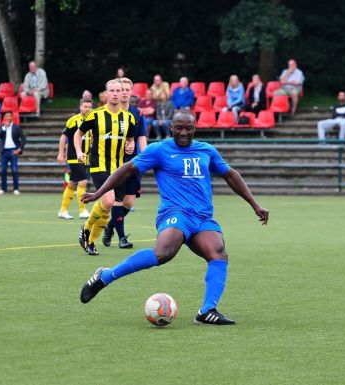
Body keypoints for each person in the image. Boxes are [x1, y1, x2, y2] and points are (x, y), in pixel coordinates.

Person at [78, 109, 270, 326]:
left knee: (218, 254)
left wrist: (255, 204)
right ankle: (105, 276)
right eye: (179, 128)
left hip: (202, 217)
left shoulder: (206, 150)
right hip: (175, 213)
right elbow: (127, 169)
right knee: (164, 253)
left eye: (188, 128)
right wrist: (99, 193)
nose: (184, 132)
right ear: (171, 128)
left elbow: (231, 175)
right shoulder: (159, 150)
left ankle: (207, 310)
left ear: (195, 127)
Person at [74, 79, 136, 256]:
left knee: (108, 206)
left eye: (119, 91)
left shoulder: (129, 118)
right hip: (99, 166)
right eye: (112, 91)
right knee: (108, 201)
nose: (116, 94)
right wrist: (79, 152)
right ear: (106, 94)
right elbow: (78, 134)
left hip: (119, 169)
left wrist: (130, 145)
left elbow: (130, 139)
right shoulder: (95, 115)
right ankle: (86, 230)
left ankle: (90, 240)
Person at [102, 77, 148, 250]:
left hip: (133, 162)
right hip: (115, 162)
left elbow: (141, 137)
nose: (124, 92)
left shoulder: (137, 114)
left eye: (128, 89)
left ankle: (110, 227)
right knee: (118, 199)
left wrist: (146, 156)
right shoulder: (109, 113)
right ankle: (121, 238)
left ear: (130, 92)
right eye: (121, 89)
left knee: (129, 203)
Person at [56, 98, 93, 220]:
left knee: (72, 184)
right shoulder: (73, 120)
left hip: (86, 157)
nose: (87, 109)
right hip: (74, 156)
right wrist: (61, 153)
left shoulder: (93, 119)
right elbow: (63, 137)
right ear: (80, 107)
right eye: (85, 106)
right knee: (83, 181)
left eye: (89, 107)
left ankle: (63, 210)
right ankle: (82, 210)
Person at [0, 111, 26, 196]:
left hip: (13, 151)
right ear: (4, 118)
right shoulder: (2, 127)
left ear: (12, 117)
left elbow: (23, 139)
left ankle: (16, 189)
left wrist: (19, 149)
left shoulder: (17, 127)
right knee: (2, 171)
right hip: (4, 151)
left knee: (14, 170)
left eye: (9, 116)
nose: (8, 118)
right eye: (6, 116)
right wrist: (4, 127)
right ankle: (3, 189)